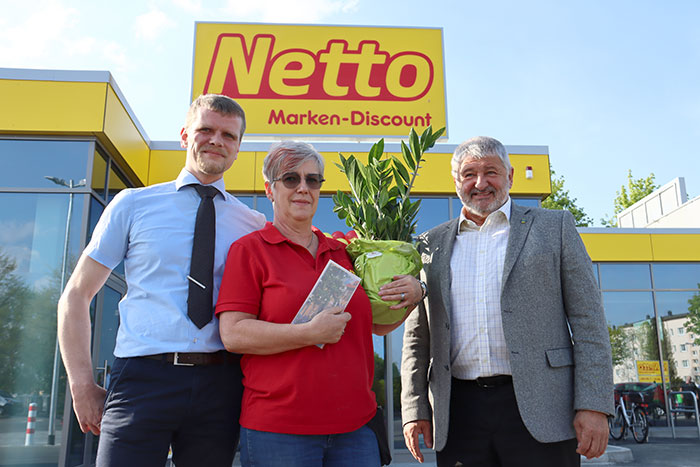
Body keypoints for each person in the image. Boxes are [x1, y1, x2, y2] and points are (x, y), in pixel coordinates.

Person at [57, 94, 266, 466]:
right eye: (206, 130)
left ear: (238, 148)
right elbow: (75, 296)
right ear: (185, 135)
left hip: (221, 384)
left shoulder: (251, 225)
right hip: (141, 378)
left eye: (228, 135)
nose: (216, 140)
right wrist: (81, 385)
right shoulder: (133, 205)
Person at [401, 136, 614, 466]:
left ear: (511, 176)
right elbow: (417, 338)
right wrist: (414, 408)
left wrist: (594, 404)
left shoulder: (554, 227)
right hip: (459, 413)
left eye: (491, 172)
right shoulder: (431, 244)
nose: (480, 183)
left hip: (542, 408)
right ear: (456, 181)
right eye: (469, 173)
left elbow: (589, 321)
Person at [215, 140, 422, 467]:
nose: (303, 188)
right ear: (270, 189)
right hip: (280, 431)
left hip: (355, 429)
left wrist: (411, 296)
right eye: (290, 179)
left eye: (312, 180)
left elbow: (378, 325)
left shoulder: (343, 252)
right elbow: (234, 334)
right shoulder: (251, 250)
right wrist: (309, 333)